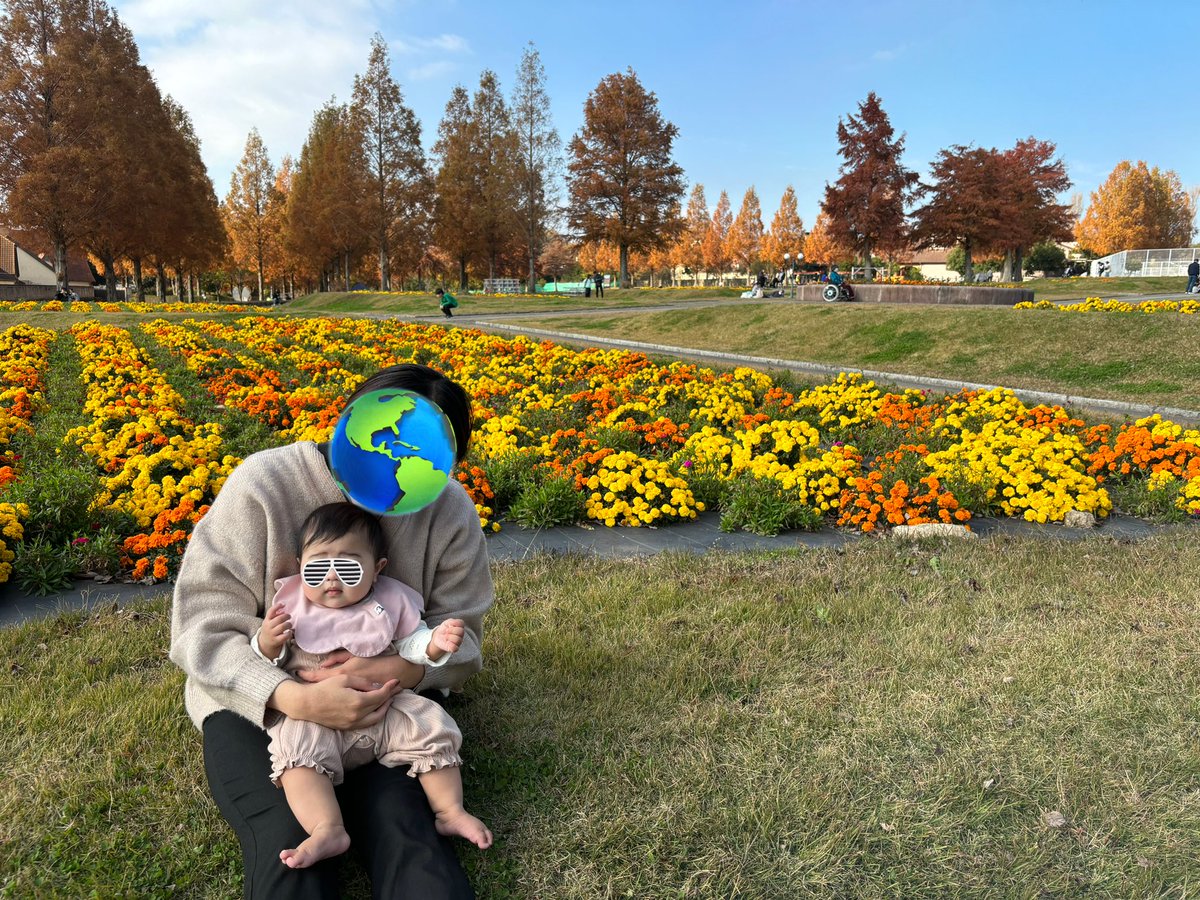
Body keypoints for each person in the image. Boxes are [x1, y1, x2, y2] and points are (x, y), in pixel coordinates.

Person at [170, 363, 492, 898]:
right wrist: (293, 697)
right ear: (348, 421)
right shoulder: (264, 484)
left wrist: (400, 667)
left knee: (406, 830)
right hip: (258, 709)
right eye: (385, 441)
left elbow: (465, 637)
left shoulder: (447, 507)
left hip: (388, 706)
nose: (395, 462)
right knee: (290, 844)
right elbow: (201, 626)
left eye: (421, 455)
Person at [255, 502, 491, 868]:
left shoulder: (391, 602)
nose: (332, 578)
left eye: (348, 568)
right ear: (301, 565)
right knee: (294, 753)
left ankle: (450, 811)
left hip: (388, 702)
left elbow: (411, 644)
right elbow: (266, 658)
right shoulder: (290, 606)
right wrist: (268, 641)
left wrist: (433, 644)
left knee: (430, 724)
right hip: (315, 712)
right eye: (318, 567)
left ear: (377, 569)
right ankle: (326, 827)